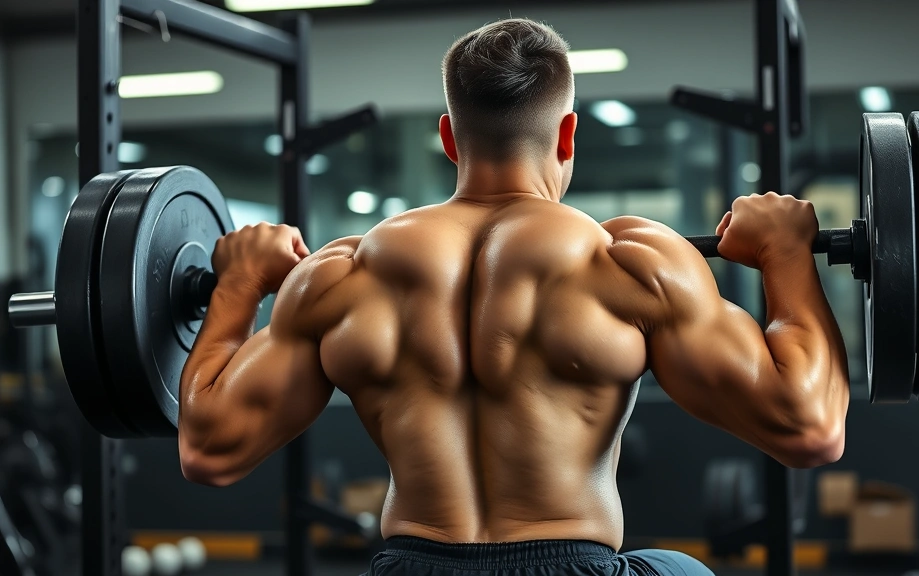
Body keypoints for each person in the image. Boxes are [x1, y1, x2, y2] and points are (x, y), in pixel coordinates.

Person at [178, 18, 850, 576]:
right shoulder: (629, 261)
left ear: (448, 137)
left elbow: (209, 450)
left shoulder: (344, 274)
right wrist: (784, 254)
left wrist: (238, 285)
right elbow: (809, 427)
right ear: (567, 134)